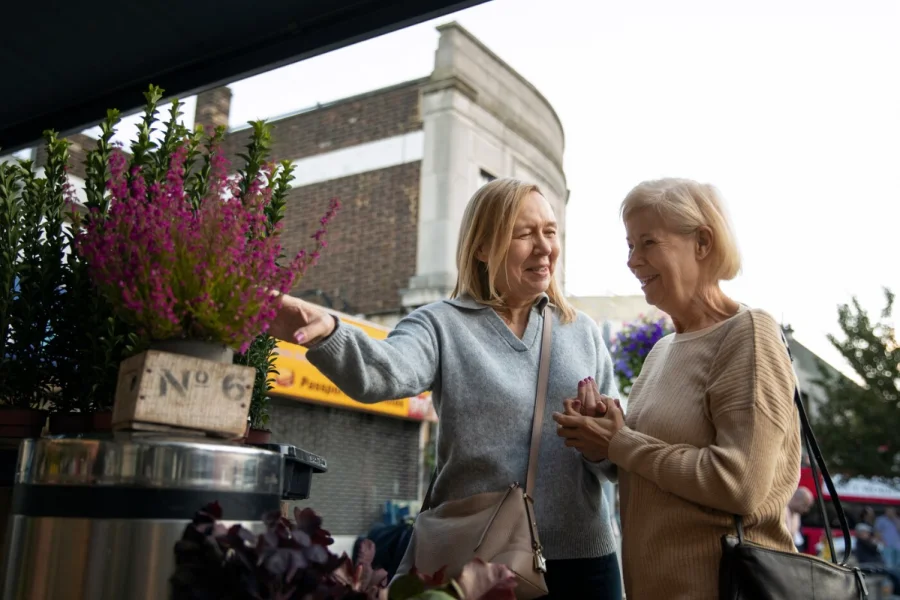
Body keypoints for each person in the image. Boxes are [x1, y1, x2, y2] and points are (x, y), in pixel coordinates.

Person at [270, 178, 623, 599]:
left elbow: (617, 459)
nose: (545, 246)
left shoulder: (582, 332)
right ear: (482, 247)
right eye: (524, 233)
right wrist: (329, 332)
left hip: (585, 564)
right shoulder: (440, 324)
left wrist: (602, 443)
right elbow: (384, 373)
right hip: (481, 561)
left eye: (550, 231)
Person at [552, 178, 801, 600]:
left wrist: (621, 443)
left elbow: (739, 484)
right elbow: (650, 468)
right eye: (629, 245)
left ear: (702, 242)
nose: (633, 260)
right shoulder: (663, 350)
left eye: (648, 242)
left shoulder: (749, 334)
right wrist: (602, 441)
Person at [786, 487, 814, 551]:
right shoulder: (782, 510)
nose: (806, 510)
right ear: (796, 499)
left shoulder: (797, 515)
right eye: (804, 505)